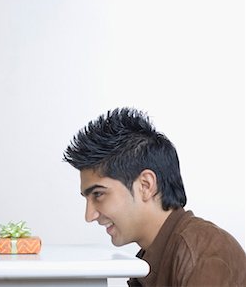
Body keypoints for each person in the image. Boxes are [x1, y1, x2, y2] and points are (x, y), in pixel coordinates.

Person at [63, 107, 245, 286]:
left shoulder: (203, 254)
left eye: (98, 194)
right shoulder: (152, 257)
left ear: (146, 185)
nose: (89, 216)